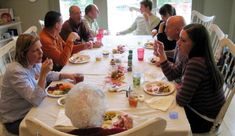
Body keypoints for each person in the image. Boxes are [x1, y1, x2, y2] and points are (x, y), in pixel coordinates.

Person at [0, 34, 84, 135]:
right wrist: (43, 74)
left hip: (33, 109)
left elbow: (49, 75)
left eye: (40, 48)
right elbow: (36, 99)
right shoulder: (15, 71)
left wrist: (68, 75)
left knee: (66, 113)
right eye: (35, 50)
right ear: (23, 54)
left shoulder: (32, 62)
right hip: (17, 119)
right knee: (57, 125)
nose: (41, 52)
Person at [155, 24, 225, 133]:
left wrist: (181, 88)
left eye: (183, 40)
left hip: (204, 118)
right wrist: (162, 54)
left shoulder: (196, 63)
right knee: (160, 103)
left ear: (196, 44)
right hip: (198, 108)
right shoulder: (190, 55)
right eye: (179, 38)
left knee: (161, 117)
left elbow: (181, 100)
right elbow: (171, 75)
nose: (178, 43)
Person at [65, 82, 133, 136]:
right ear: (102, 112)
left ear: (69, 113)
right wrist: (129, 130)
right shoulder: (119, 133)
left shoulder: (63, 134)